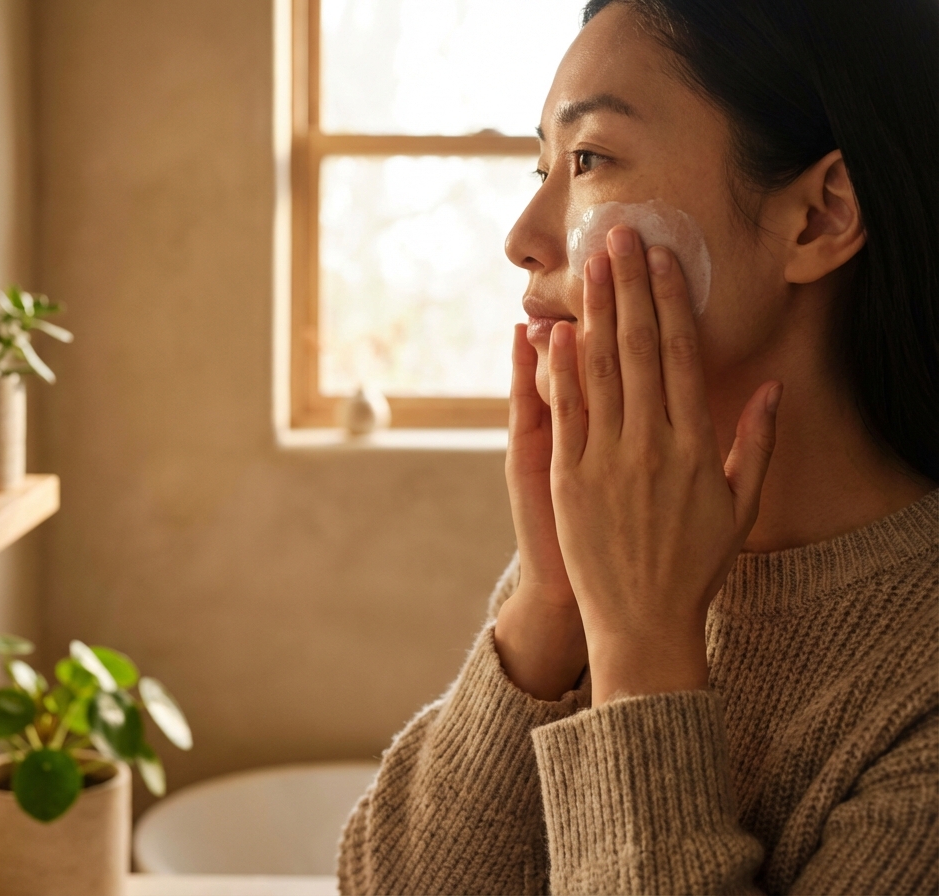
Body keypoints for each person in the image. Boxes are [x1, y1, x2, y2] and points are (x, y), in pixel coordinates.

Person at [337, 0, 938, 893]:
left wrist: (644, 649)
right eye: (541, 164)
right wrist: (548, 606)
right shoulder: (611, 543)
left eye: (588, 160)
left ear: (818, 218)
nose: (521, 239)